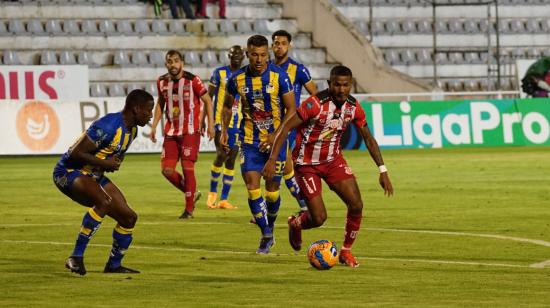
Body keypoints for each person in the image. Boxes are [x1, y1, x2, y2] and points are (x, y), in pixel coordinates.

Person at [262, 65, 393, 267]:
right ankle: (295, 223)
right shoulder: (314, 104)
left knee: (357, 204)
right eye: (337, 85)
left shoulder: (353, 107)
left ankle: (346, 251)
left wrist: (382, 170)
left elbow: (368, 138)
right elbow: (287, 127)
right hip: (306, 165)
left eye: (346, 85)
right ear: (329, 84)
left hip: (332, 161)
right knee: (319, 218)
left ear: (351, 85)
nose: (341, 90)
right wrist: (272, 159)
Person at [53, 89, 155, 276]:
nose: (151, 116)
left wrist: (112, 163)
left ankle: (113, 265)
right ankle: (76, 257)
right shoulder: (109, 125)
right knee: (104, 202)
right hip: (68, 172)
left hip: (94, 175)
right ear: (136, 109)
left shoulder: (132, 131)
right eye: (148, 111)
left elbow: (116, 156)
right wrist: (105, 163)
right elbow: (76, 153)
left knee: (129, 218)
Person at [221, 35, 296, 254]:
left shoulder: (280, 77)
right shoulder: (237, 79)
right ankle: (266, 234)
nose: (259, 59)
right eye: (254, 54)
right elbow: (226, 106)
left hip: (276, 140)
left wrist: (275, 135)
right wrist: (225, 130)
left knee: (272, 192)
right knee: (252, 186)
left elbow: (291, 110)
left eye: (263, 55)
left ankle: (269, 225)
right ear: (247, 54)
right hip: (249, 140)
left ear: (268, 54)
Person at [150, 50, 215, 219]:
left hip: (190, 131)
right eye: (170, 61)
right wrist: (154, 126)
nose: (173, 64)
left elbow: (208, 100)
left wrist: (210, 124)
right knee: (167, 170)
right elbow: (160, 103)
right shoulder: (162, 82)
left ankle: (189, 210)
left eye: (176, 61)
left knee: (187, 168)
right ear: (166, 64)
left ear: (182, 63)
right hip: (171, 132)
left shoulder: (193, 80)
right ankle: (192, 192)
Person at [271, 29, 318, 212]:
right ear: (272, 45)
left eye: (283, 43)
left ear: (289, 45)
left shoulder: (298, 69)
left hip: (289, 125)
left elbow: (315, 95)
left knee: (279, 166)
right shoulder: (266, 68)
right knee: (283, 169)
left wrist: (308, 117)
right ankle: (305, 205)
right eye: (276, 43)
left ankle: (268, 210)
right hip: (268, 125)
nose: (279, 46)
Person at [206, 45, 245, 210]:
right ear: (229, 56)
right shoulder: (219, 73)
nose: (236, 57)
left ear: (243, 57)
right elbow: (208, 98)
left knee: (231, 158)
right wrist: (206, 121)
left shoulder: (245, 75)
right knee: (221, 154)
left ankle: (223, 199)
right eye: (233, 55)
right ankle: (212, 194)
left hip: (238, 123)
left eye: (238, 55)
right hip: (219, 121)